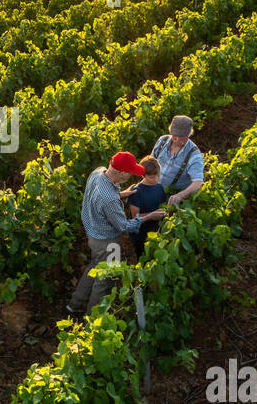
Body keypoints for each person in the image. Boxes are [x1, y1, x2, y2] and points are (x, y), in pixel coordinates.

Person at [67, 151, 166, 316]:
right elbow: (123, 226)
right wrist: (149, 216)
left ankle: (73, 305)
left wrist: (120, 194)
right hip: (108, 242)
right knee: (105, 279)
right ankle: (93, 319)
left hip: (93, 233)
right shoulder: (110, 200)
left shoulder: (98, 173)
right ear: (122, 173)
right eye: (130, 172)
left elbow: (98, 197)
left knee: (94, 267)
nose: (132, 175)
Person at [151, 115, 205, 206]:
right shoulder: (162, 140)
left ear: (188, 134)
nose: (176, 139)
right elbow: (150, 163)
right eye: (174, 135)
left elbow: (198, 182)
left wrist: (180, 195)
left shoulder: (194, 155)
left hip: (170, 199)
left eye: (180, 136)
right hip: (152, 188)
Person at [124, 156, 167, 257]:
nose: (156, 179)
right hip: (140, 234)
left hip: (156, 230)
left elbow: (162, 205)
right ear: (143, 175)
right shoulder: (137, 191)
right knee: (143, 256)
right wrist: (153, 215)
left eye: (158, 176)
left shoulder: (159, 187)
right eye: (152, 177)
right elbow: (135, 217)